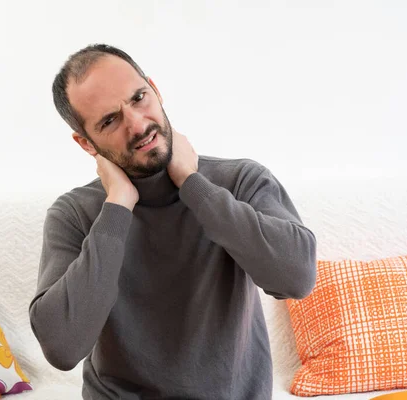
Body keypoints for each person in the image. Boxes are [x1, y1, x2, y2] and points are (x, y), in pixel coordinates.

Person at [29, 43, 317, 400]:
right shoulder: (74, 214)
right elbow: (62, 347)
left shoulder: (240, 180)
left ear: (155, 89)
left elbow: (297, 278)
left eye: (138, 98)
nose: (137, 124)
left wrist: (194, 186)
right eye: (109, 120)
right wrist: (117, 207)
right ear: (86, 144)